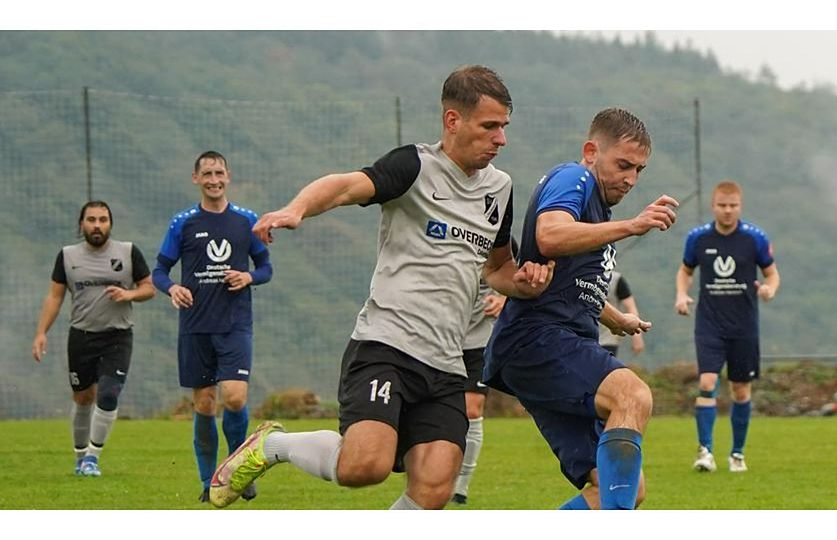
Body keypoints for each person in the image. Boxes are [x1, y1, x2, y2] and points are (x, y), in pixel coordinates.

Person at [208, 65, 554, 510]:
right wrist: (297, 209)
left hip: (446, 363)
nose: (500, 139)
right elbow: (345, 185)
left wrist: (523, 283)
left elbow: (498, 267)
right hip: (385, 346)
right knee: (364, 467)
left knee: (434, 487)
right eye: (490, 126)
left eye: (504, 127)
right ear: (453, 121)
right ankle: (271, 446)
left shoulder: (500, 189)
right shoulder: (414, 166)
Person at [484, 108, 679, 510]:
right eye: (623, 165)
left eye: (639, 170)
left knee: (619, 488)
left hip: (549, 344)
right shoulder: (574, 178)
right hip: (538, 339)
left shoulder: (598, 211)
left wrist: (615, 318)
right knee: (633, 396)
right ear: (592, 151)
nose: (631, 179)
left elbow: (577, 287)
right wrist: (632, 224)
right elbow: (550, 234)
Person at [152, 150, 274, 503]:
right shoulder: (183, 223)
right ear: (196, 179)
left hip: (235, 324)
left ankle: (239, 470)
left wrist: (248, 276)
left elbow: (266, 268)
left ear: (228, 176)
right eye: (207, 174)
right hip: (195, 326)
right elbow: (159, 271)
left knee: (234, 398)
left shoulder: (245, 222)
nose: (214, 179)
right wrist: (172, 287)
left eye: (219, 172)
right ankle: (209, 482)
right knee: (205, 405)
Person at [32, 200, 156, 477]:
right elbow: (55, 296)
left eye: (102, 219)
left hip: (118, 336)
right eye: (91, 219)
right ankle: (79, 457)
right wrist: (41, 332)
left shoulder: (127, 252)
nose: (97, 225)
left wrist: (129, 294)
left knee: (109, 394)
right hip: (81, 336)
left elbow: (149, 288)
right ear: (81, 224)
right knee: (83, 397)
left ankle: (92, 458)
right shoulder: (67, 256)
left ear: (110, 223)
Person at [674, 180, 780, 473]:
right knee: (707, 382)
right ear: (713, 206)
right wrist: (682, 294)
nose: (727, 211)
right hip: (709, 324)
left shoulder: (755, 239)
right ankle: (705, 451)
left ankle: (737, 454)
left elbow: (772, 275)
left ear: (740, 206)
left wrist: (769, 290)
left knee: (741, 390)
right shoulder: (698, 239)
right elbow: (685, 271)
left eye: (733, 206)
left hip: (744, 325)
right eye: (722, 205)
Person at [451, 237, 516, 505]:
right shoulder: (449, 235)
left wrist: (506, 298)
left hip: (479, 342)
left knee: (472, 410)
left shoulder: (502, 239)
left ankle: (461, 487)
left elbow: (524, 277)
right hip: (441, 337)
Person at [597, 270, 645, 357]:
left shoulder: (615, 279)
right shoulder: (579, 275)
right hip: (582, 336)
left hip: (608, 338)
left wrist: (637, 336)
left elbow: (631, 307)